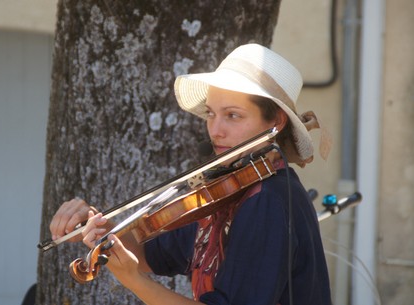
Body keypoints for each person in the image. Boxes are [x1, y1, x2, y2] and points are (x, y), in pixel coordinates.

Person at [50, 43, 332, 305]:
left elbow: (140, 270)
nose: (216, 130)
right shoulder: (224, 194)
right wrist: (96, 225)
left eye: (233, 115)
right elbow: (148, 255)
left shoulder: (268, 200)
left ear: (276, 122)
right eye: (211, 113)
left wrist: (134, 281)